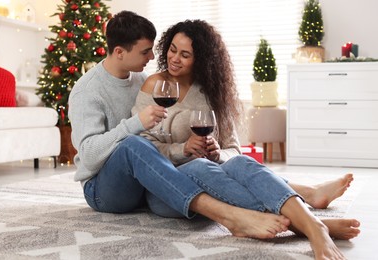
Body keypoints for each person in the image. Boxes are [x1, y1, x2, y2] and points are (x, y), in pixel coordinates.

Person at [133, 19, 360, 259]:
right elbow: (141, 149)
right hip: (169, 190)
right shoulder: (154, 85)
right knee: (199, 166)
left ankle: (312, 224)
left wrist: (217, 152)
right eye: (172, 49)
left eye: (185, 55)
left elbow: (234, 150)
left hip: (216, 178)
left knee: (239, 164)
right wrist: (182, 149)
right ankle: (305, 221)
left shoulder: (211, 92)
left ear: (201, 60)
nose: (175, 58)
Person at [68, 10, 297, 241]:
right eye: (146, 52)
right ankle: (230, 216)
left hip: (146, 186)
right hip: (104, 190)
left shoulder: (140, 78)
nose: (152, 58)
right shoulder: (88, 91)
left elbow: (224, 148)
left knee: (209, 167)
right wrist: (135, 124)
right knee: (132, 145)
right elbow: (88, 155)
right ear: (119, 52)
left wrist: (204, 152)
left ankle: (292, 214)